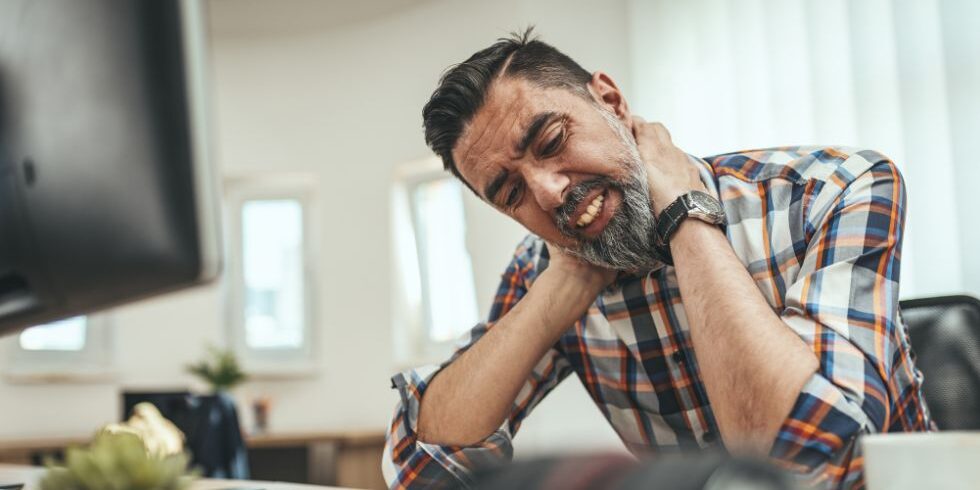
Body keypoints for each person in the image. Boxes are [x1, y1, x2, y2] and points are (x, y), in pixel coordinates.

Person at [382, 28, 931, 489]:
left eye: (551, 141)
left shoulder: (830, 190)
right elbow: (418, 470)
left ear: (612, 103)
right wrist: (560, 287)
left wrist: (685, 215)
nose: (547, 192)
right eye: (510, 193)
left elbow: (815, 460)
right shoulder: (540, 270)